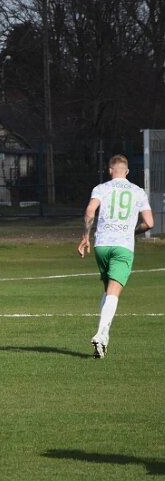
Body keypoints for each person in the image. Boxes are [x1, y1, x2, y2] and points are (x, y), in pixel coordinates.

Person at [78, 154, 153, 359]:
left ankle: (104, 339)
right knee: (113, 291)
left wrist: (85, 237)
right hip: (123, 246)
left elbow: (90, 211)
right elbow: (149, 223)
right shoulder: (138, 192)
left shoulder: (101, 188)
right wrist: (132, 232)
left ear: (110, 170)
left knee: (108, 291)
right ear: (127, 171)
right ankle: (101, 335)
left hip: (102, 245)